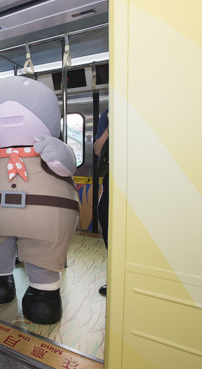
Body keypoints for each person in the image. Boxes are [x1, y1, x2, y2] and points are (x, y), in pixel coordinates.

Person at [94, 109, 109, 296]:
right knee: (104, 215)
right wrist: (110, 127)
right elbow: (98, 149)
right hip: (112, 181)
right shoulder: (106, 114)